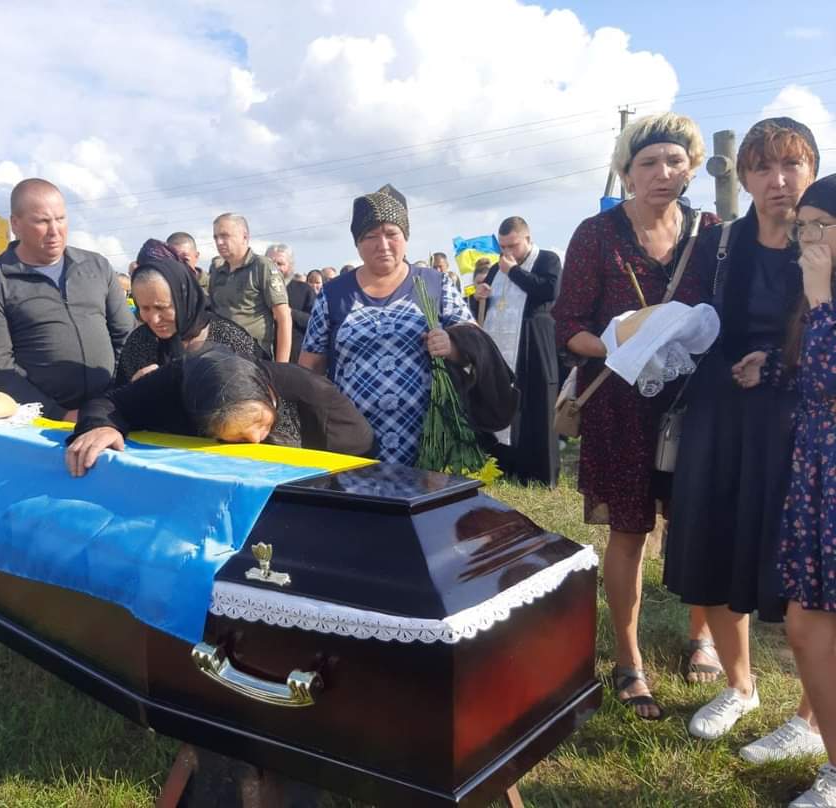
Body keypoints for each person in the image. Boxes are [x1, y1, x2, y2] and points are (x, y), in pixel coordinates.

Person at [664, 119, 824, 747]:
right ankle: (740, 684)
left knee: (805, 569)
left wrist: (778, 363)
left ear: (812, 170)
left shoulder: (825, 239)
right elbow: (696, 319)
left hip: (799, 422)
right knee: (716, 541)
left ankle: (813, 717)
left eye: (791, 165)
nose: (778, 180)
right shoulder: (720, 243)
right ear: (746, 177)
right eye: (762, 168)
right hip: (721, 413)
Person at [552, 112, 716, 720]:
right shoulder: (597, 235)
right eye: (648, 163)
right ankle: (629, 658)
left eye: (675, 161)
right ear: (626, 172)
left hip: (694, 402)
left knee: (697, 521)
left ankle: (704, 636)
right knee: (629, 532)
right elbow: (568, 326)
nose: (662, 173)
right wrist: (622, 346)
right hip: (619, 404)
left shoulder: (710, 232)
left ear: (691, 167)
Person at [298, 184, 474, 465]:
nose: (383, 244)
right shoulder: (333, 294)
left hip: (430, 440)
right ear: (357, 243)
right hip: (353, 442)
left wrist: (451, 346)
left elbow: (476, 345)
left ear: (405, 237)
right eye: (370, 236)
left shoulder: (435, 284)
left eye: (392, 234)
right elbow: (310, 366)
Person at [0, 178, 135, 420]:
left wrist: (116, 396)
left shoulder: (96, 266)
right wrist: (59, 414)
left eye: (60, 219)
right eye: (42, 221)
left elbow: (126, 336)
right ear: (16, 224)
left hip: (110, 411)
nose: (55, 231)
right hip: (41, 424)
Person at [67, 346, 376, 476]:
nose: (256, 440)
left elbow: (361, 455)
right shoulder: (177, 382)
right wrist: (100, 425)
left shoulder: (311, 392)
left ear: (269, 395)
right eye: (238, 438)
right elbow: (110, 403)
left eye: (262, 423)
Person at [778, 174, 836, 808]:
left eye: (822, 225)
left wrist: (819, 297)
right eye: (803, 227)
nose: (809, 238)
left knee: (812, 621)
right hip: (819, 470)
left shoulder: (821, 293)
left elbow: (829, 378)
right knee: (807, 621)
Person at [471, 217, 561, 486]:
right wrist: (478, 296)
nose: (507, 252)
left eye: (513, 245)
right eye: (503, 247)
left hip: (534, 342)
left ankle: (539, 474)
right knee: (505, 403)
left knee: (537, 406)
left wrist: (514, 272)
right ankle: (506, 467)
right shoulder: (496, 268)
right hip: (502, 349)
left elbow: (549, 291)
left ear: (528, 239)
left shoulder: (547, 259)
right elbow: (481, 309)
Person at [114, 239, 260, 385]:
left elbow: (265, 390)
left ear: (184, 300)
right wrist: (134, 388)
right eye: (145, 308)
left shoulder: (229, 339)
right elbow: (115, 394)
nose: (154, 319)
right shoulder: (140, 342)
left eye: (162, 308)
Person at [209, 213, 292, 361]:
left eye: (225, 236)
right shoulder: (217, 270)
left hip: (253, 357)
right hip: (220, 356)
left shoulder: (262, 267)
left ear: (244, 237)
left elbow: (283, 317)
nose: (219, 242)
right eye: (216, 237)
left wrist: (281, 367)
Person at [266, 243, 315, 363]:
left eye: (280, 264)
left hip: (295, 360)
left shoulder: (304, 290)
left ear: (290, 266)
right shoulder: (256, 291)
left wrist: (289, 313)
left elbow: (315, 322)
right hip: (262, 358)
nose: (274, 268)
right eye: (270, 263)